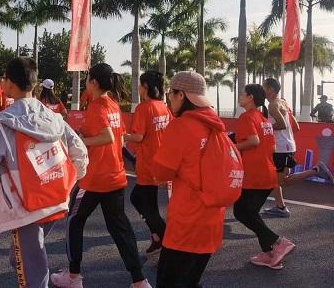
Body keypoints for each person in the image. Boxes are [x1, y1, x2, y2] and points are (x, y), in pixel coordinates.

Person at [0, 57, 89, 288]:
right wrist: (68, 183)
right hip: (55, 198)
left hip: (24, 205)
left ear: (9, 84)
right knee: (25, 254)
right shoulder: (54, 118)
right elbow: (80, 153)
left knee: (32, 270)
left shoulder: (4, 124)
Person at [51, 63, 151, 288]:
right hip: (115, 177)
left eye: (87, 77)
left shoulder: (97, 107)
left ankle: (73, 277)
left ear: (93, 82)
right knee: (120, 229)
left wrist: (80, 141)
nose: (86, 81)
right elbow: (118, 136)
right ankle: (139, 280)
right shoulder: (113, 105)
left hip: (94, 179)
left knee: (74, 222)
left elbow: (107, 137)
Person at [152, 71, 226, 288]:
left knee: (169, 282)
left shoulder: (180, 126)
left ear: (181, 95)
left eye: (170, 93)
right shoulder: (215, 124)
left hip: (186, 222)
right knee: (191, 280)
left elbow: (161, 173)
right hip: (211, 219)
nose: (169, 98)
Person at [233, 84, 295, 269]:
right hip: (267, 173)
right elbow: (272, 146)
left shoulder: (247, 117)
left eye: (243, 94)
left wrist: (230, 147)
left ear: (250, 97)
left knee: (241, 212)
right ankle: (271, 255)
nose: (240, 96)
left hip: (255, 174)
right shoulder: (263, 118)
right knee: (251, 214)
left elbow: (253, 141)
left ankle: (278, 243)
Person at [262, 78, 333, 217]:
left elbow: (281, 125)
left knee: (281, 181)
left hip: (281, 148)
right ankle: (280, 206)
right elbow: (296, 127)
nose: (262, 90)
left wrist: (263, 127)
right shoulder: (283, 102)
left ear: (270, 89)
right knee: (276, 179)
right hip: (287, 145)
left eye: (264, 88)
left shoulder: (272, 105)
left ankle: (316, 170)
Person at [124, 71, 171, 255]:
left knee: (138, 199)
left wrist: (120, 136)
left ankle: (164, 236)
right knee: (146, 202)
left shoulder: (144, 108)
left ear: (145, 87)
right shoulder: (164, 106)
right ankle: (157, 237)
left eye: (140, 84)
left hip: (147, 163)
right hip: (159, 161)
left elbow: (138, 136)